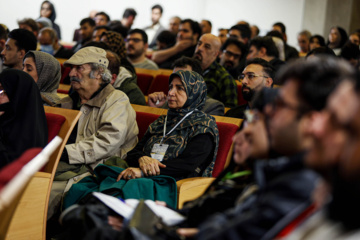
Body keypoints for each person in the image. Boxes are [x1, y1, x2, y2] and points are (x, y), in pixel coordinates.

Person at [48, 47, 138, 220]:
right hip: (64, 162)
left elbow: (106, 142)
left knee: (41, 192)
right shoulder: (67, 102)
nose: (71, 73)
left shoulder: (117, 100)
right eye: (71, 68)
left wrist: (65, 152)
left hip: (96, 168)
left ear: (98, 73)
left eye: (79, 68)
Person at [0, 69, 48, 169]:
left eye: (1, 91)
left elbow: (9, 167)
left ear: (17, 95)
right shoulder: (6, 118)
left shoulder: (28, 134)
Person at [148, 56, 225, 116]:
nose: (171, 93)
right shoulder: (166, 103)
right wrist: (155, 110)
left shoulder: (212, 106)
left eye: (184, 76)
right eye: (175, 75)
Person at [194, 33, 238, 108]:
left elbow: (229, 112)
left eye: (207, 47)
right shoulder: (186, 69)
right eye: (199, 44)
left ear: (216, 54)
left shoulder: (224, 78)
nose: (200, 48)